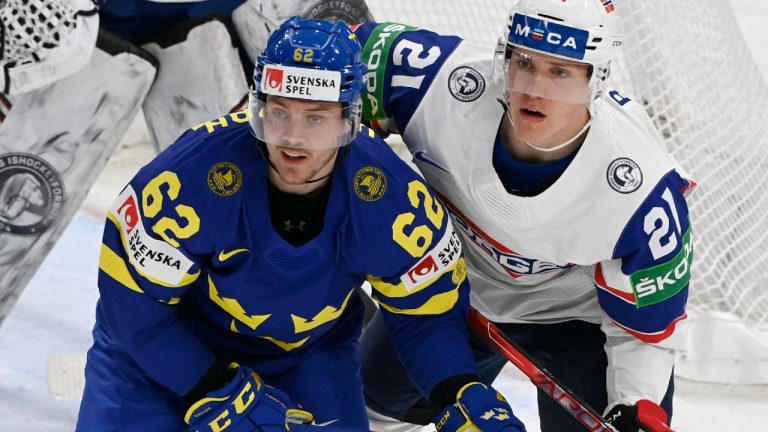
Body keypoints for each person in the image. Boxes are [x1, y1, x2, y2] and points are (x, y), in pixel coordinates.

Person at [76, 16, 525, 431]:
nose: (292, 136)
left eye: (315, 118)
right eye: (280, 112)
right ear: (259, 106)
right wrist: (208, 385)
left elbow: (425, 318)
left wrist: (458, 392)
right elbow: (136, 314)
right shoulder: (189, 180)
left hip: (305, 356)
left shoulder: (391, 199)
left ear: (349, 119)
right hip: (160, 352)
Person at [353, 0, 694, 431]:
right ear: (505, 57)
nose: (535, 88)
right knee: (360, 412)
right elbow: (328, 65)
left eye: (560, 72)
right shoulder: (437, 82)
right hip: (448, 293)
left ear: (597, 80)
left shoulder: (641, 189)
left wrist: (634, 401)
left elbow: (646, 331)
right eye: (525, 62)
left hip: (576, 321)